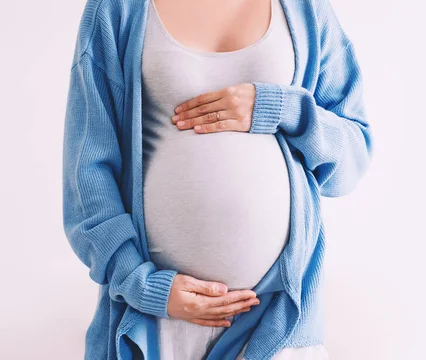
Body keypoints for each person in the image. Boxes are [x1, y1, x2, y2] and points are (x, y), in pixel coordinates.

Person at [62, 0, 374, 359]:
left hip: (277, 317)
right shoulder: (118, 9)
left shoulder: (306, 9)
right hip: (156, 317)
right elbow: (86, 172)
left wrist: (282, 108)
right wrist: (142, 285)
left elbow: (352, 158)